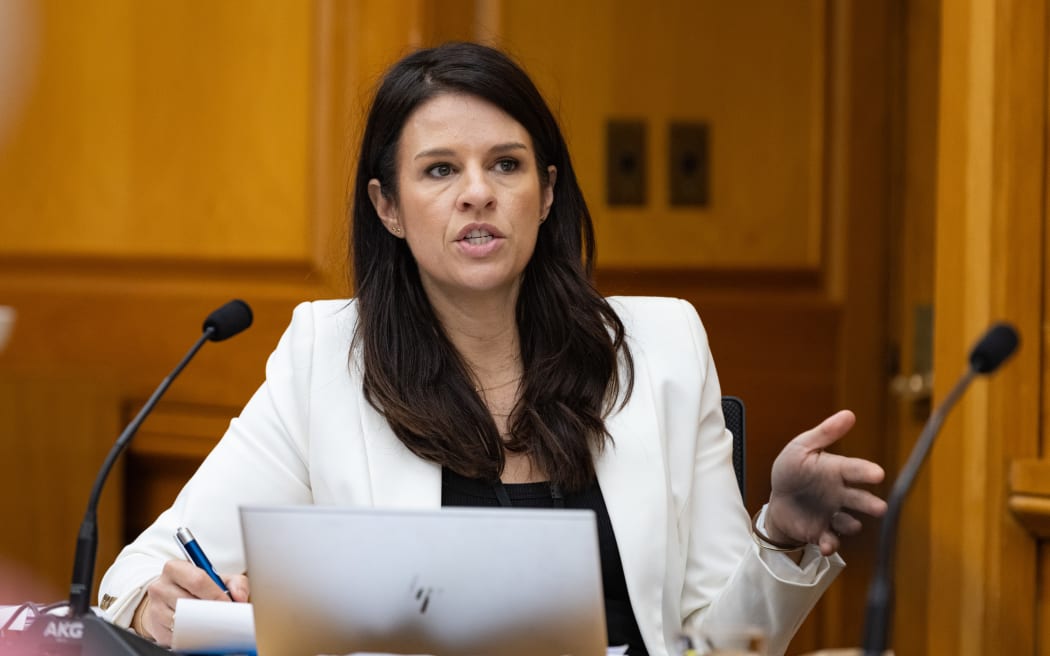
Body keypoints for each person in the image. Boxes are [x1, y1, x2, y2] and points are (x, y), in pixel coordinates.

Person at [98, 42, 886, 656]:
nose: (477, 191)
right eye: (440, 170)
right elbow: (136, 574)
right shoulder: (325, 357)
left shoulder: (664, 345)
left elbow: (720, 642)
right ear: (389, 208)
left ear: (545, 194)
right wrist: (153, 601)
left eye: (504, 165)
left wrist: (780, 530)